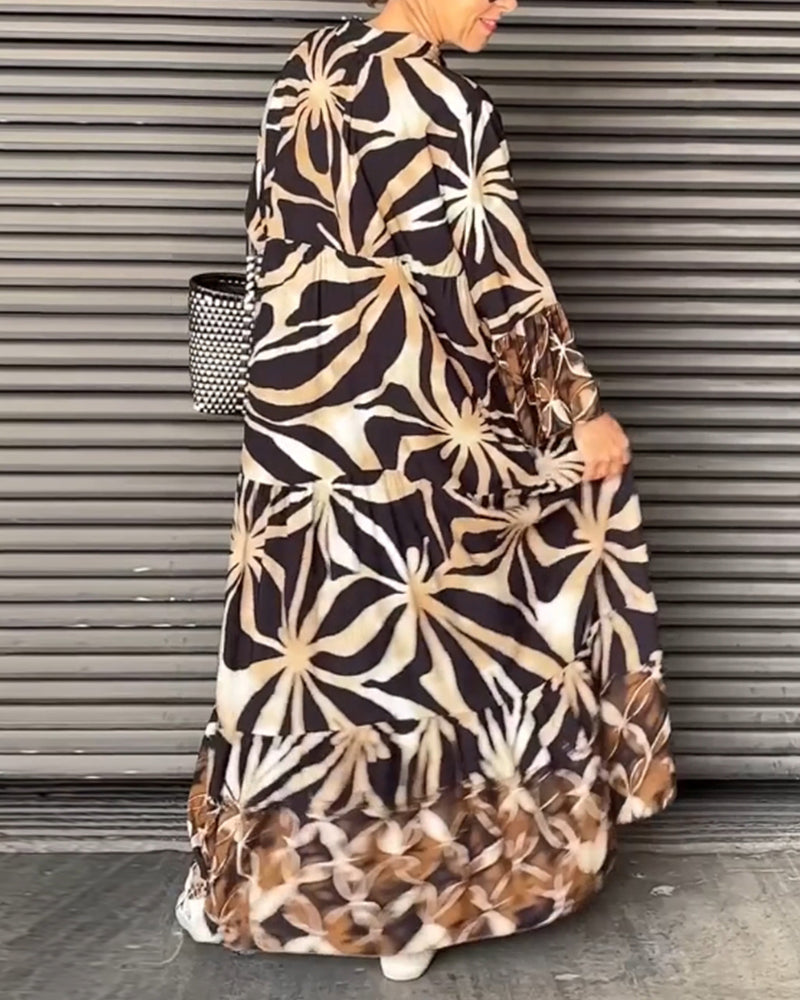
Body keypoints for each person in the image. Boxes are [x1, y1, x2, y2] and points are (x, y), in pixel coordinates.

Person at [176, 0, 676, 982]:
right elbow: (492, 278)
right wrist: (577, 410)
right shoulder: (445, 100)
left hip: (292, 429)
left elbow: (267, 241)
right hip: (405, 429)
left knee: (294, 660)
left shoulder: (306, 65)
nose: (507, 2)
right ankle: (404, 910)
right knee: (414, 660)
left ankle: (226, 889)